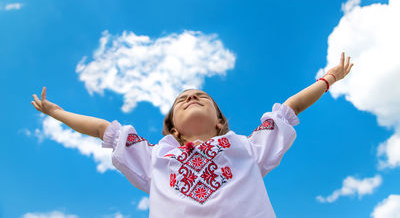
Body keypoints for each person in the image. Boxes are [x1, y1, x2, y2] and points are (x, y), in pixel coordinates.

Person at [31, 52, 354, 218]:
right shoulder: (153, 156)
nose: (191, 98)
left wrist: (328, 79)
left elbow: (288, 109)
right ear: (173, 127)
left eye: (202, 96)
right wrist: (56, 112)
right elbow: (104, 130)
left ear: (219, 121)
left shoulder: (246, 147)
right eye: (181, 100)